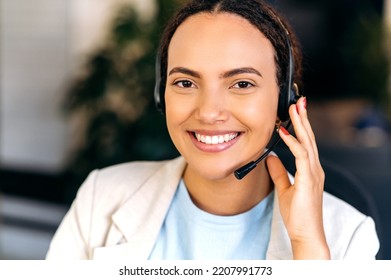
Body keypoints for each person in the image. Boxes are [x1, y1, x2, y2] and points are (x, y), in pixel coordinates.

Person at [46, 0, 379, 260]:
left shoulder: (349, 235)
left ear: (284, 102)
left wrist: (308, 250)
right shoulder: (99, 199)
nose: (208, 112)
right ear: (161, 95)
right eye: (186, 82)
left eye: (241, 83)